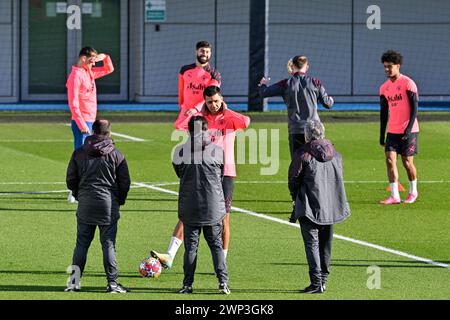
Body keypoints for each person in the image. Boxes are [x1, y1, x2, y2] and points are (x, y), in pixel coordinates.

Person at [151, 86, 250, 269]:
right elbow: (179, 125)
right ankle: (170, 255)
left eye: (217, 101)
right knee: (188, 214)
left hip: (225, 172)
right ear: (205, 101)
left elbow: (245, 122)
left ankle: (222, 261)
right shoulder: (199, 118)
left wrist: (226, 110)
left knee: (224, 218)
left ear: (222, 99)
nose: (214, 105)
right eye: (210, 101)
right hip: (201, 171)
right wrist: (196, 109)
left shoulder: (229, 117)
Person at [65, 119, 131, 293]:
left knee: (81, 244)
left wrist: (79, 195)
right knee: (108, 244)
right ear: (109, 133)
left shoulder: (79, 153)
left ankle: (74, 282)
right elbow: (125, 183)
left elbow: (71, 179)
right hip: (108, 205)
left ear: (93, 132)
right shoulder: (116, 154)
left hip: (86, 203)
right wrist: (119, 200)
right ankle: (112, 283)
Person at [288, 120, 350, 294]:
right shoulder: (336, 155)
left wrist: (295, 198)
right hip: (331, 204)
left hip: (309, 204)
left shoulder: (303, 154)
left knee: (312, 243)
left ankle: (316, 282)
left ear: (307, 135)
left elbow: (293, 179)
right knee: (326, 243)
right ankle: (323, 280)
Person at [173, 116, 230, 295]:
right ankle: (223, 282)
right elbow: (221, 175)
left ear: (189, 131)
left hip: (190, 207)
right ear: (206, 129)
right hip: (213, 207)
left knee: (191, 247)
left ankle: (187, 285)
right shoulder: (218, 151)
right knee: (216, 246)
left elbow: (179, 173)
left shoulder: (179, 151)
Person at [258, 55, 334, 159]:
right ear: (306, 67)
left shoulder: (286, 84)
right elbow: (327, 104)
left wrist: (263, 84)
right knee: (316, 164)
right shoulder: (315, 82)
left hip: (296, 130)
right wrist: (331, 100)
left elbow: (263, 93)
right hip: (315, 130)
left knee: (297, 164)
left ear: (292, 66)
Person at [66, 47, 114, 203]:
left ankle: (81, 190)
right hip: (82, 122)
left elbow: (109, 69)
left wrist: (104, 56)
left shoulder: (89, 73)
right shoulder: (76, 76)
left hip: (90, 120)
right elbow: (73, 104)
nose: (94, 63)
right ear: (83, 59)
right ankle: (74, 191)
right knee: (81, 156)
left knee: (89, 157)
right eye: (91, 60)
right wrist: (81, 124)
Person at [379, 50, 419, 205]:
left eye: (389, 66)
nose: (387, 70)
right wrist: (382, 134)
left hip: (409, 130)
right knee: (390, 160)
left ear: (398, 66)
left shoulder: (408, 83)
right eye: (385, 67)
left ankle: (413, 191)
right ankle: (394, 195)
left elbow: (415, 108)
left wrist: (408, 130)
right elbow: (383, 113)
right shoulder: (384, 88)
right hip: (392, 131)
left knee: (407, 163)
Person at [178, 41, 221, 116]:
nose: (204, 54)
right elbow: (181, 91)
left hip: (203, 112)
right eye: (202, 51)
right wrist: (181, 106)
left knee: (197, 127)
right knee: (180, 127)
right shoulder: (184, 70)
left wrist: (196, 109)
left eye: (207, 52)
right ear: (196, 52)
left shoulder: (214, 74)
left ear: (210, 54)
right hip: (186, 112)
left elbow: (212, 97)